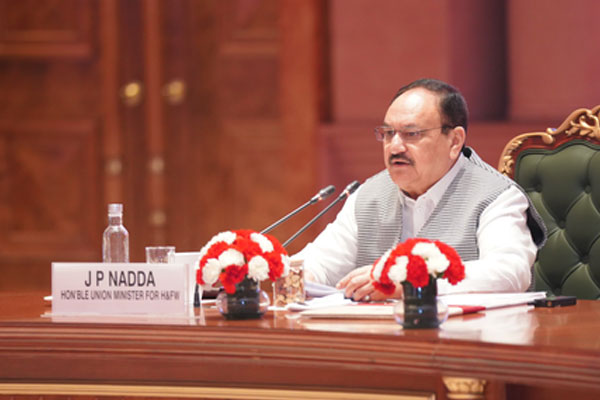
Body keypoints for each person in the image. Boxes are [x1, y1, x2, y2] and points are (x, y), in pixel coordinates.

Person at [298, 78, 546, 301]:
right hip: (377, 334)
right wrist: (293, 275)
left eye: (412, 134)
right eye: (388, 133)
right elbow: (321, 262)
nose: (395, 146)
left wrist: (412, 281)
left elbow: (509, 273)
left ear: (454, 141)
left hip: (469, 334)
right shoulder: (367, 196)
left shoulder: (496, 196)